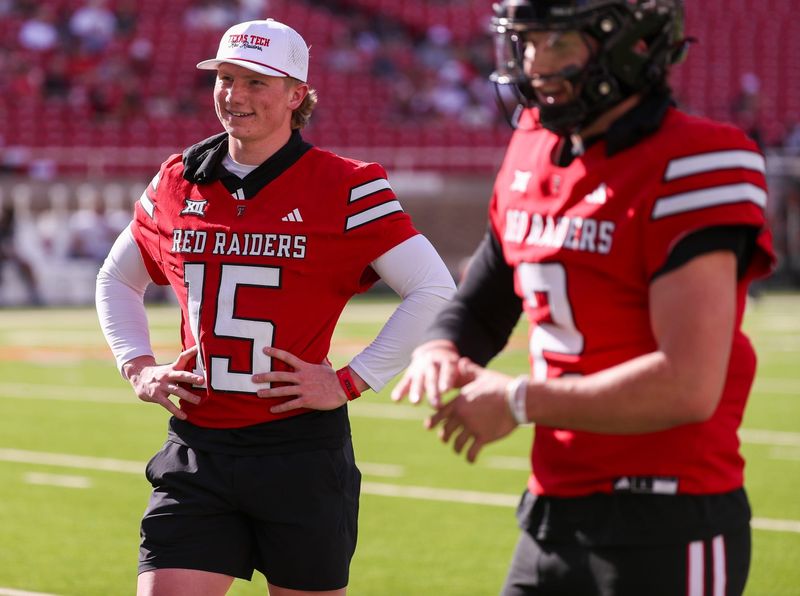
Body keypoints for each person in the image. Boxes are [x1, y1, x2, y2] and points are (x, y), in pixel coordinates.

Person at [392, 1, 776, 595]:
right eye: (526, 42)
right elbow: (489, 292)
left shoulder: (695, 160)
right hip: (552, 509)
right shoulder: (533, 142)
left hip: (668, 514)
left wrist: (518, 401)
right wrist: (441, 346)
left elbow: (688, 384)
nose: (534, 62)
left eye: (558, 43)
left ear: (635, 46)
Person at [95, 19, 455, 596]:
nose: (235, 95)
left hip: (299, 453)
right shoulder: (178, 180)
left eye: (257, 82)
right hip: (198, 448)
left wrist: (351, 380)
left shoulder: (348, 186)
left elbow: (434, 290)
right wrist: (137, 365)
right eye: (226, 78)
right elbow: (116, 278)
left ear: (297, 95)